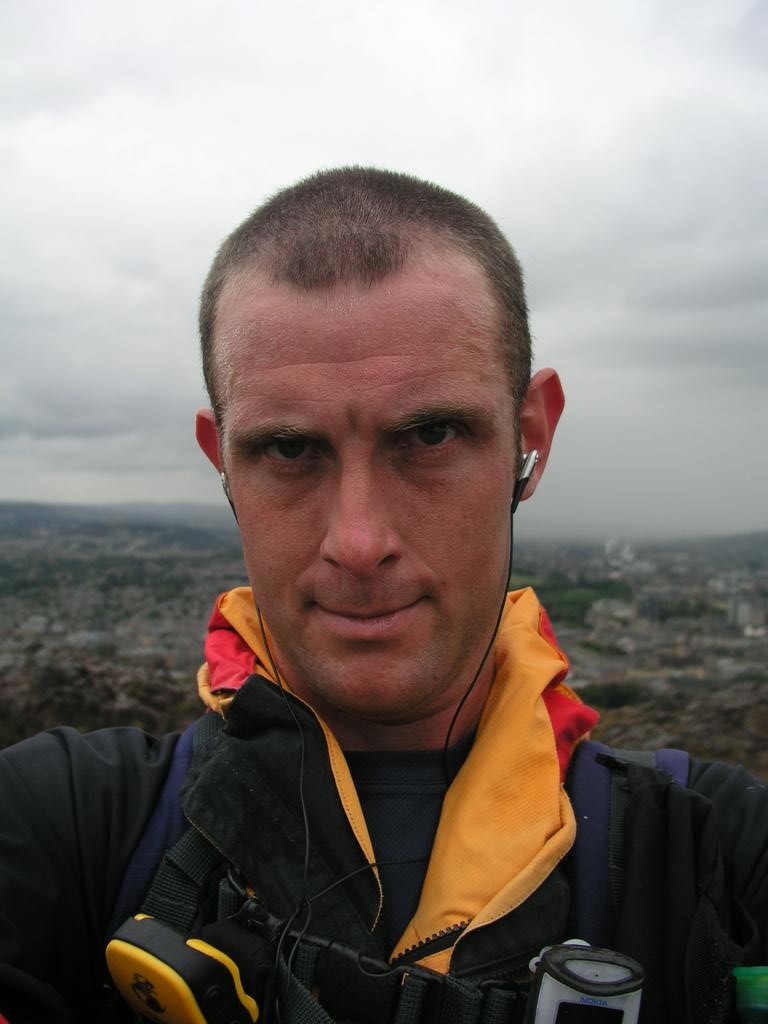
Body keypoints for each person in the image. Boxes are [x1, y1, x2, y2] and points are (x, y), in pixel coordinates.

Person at [0, 167, 766, 1024]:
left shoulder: (723, 859)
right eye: (289, 449)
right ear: (222, 461)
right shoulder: (63, 826)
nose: (359, 543)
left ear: (531, 438)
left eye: (430, 435)